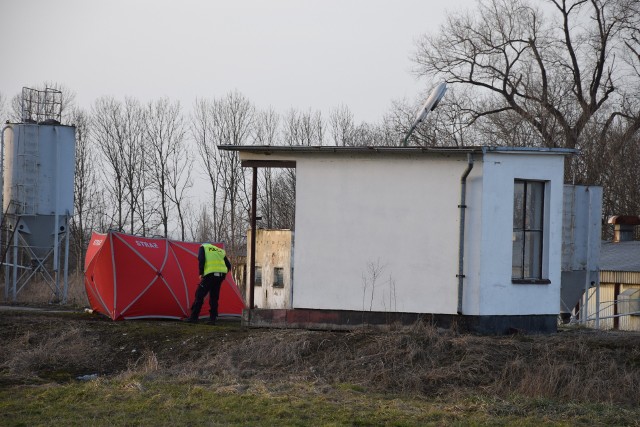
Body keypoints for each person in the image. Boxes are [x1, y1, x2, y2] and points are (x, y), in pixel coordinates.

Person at [185, 243, 232, 325]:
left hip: (210, 275)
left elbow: (201, 259)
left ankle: (194, 317)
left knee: (200, 294)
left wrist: (201, 273)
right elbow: (228, 265)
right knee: (214, 296)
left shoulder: (203, 247)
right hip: (220, 276)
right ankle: (213, 319)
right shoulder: (220, 250)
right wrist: (223, 273)